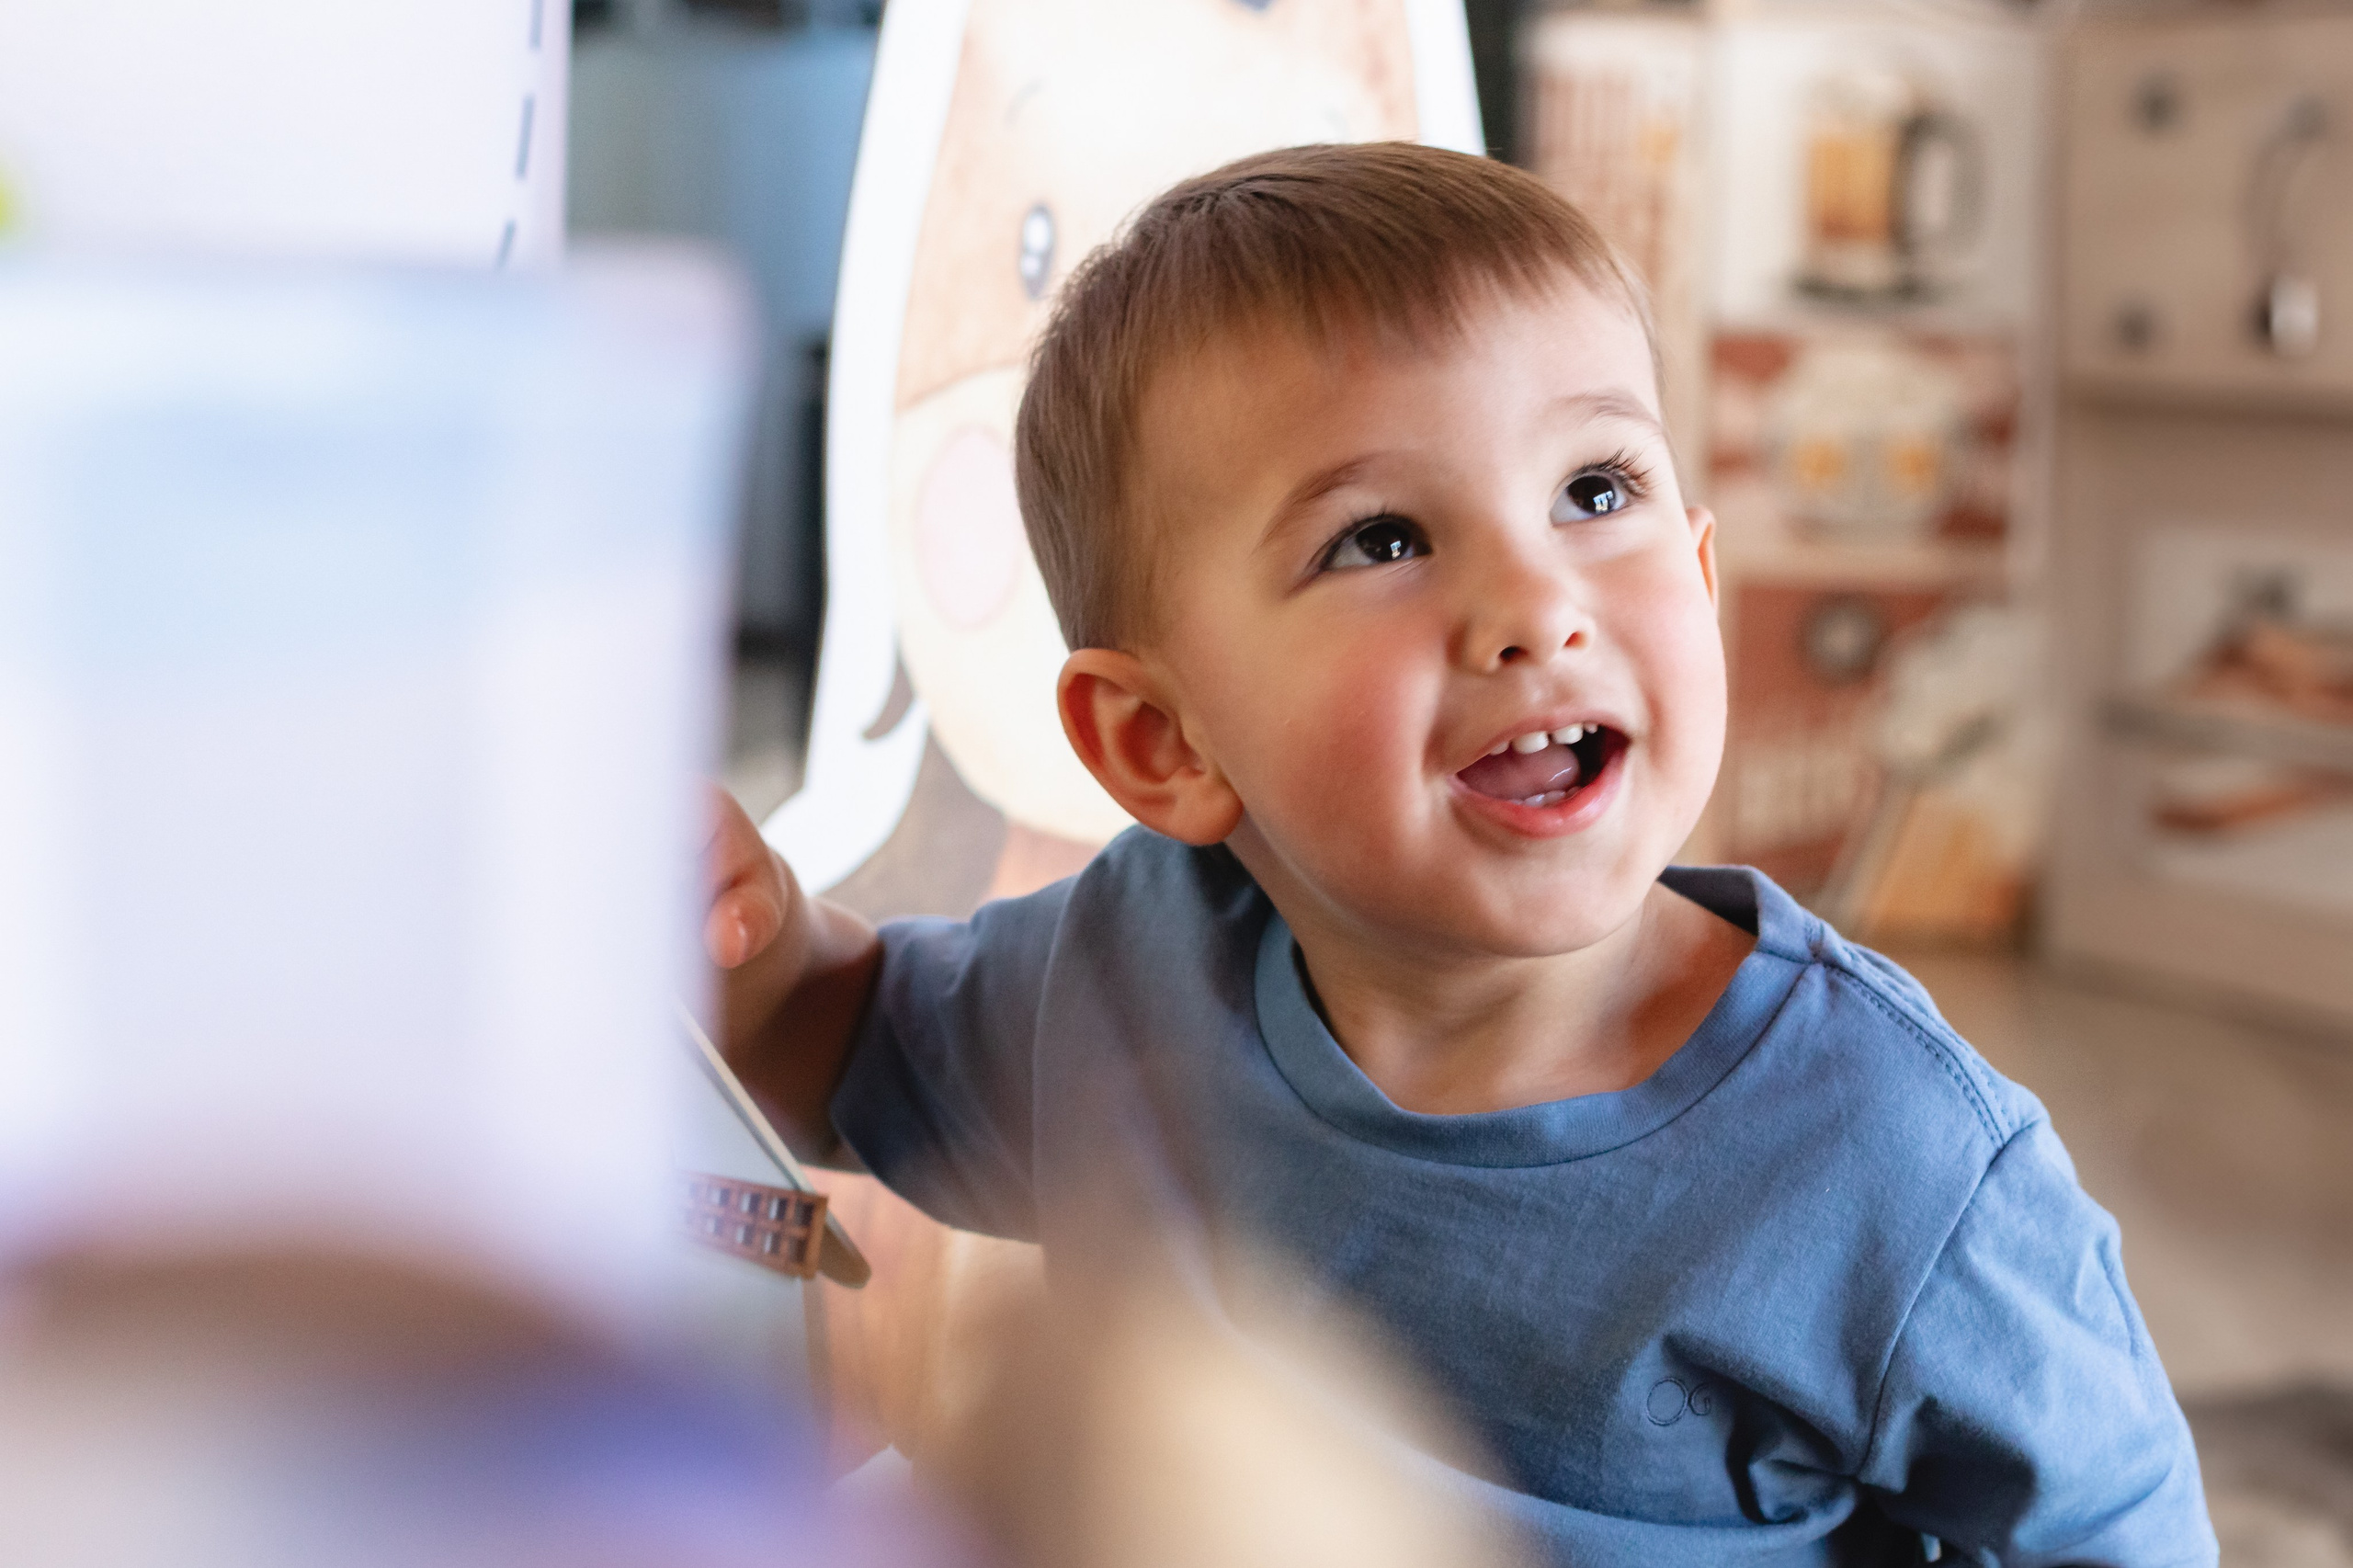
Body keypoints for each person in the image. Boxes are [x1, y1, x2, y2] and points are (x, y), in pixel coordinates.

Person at [706, 142, 2213, 1564]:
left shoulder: (1897, 1154)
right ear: (1165, 743)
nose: (1537, 602)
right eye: (1382, 539)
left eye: (1595, 491)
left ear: (1698, 567)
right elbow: (861, 1055)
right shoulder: (1134, 965)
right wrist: (752, 941)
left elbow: (2121, 1522)